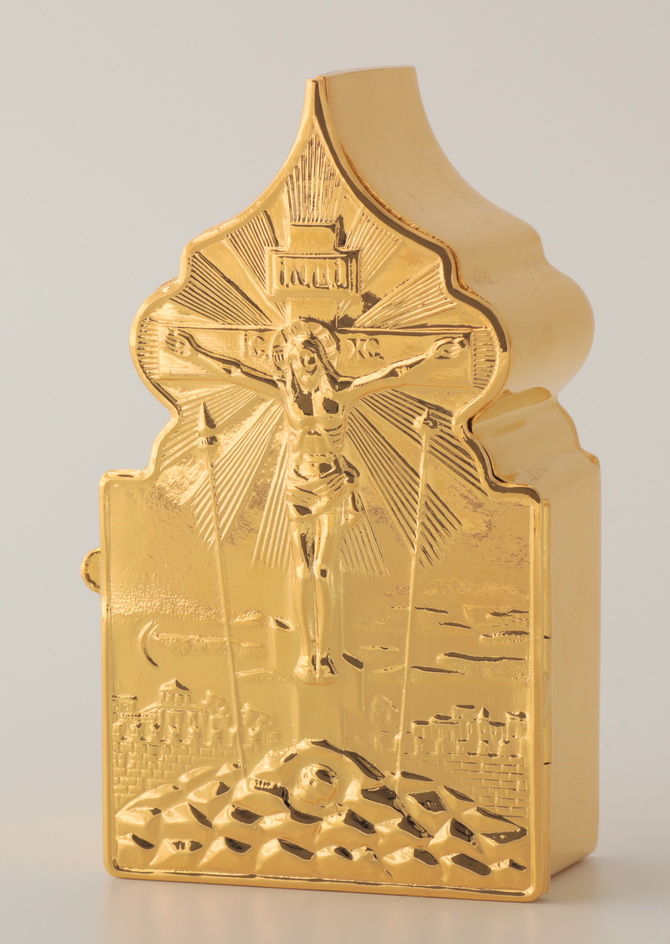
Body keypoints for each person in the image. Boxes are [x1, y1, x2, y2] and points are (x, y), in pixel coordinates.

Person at [165, 320, 466, 684]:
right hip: (297, 487)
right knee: (300, 572)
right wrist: (194, 354)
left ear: (321, 358)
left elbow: (391, 375)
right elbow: (235, 372)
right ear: (290, 361)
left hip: (331, 485)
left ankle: (323, 654)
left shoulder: (340, 393)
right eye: (298, 358)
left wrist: (432, 358)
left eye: (310, 357)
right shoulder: (285, 394)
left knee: (321, 572)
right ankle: (305, 653)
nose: (305, 364)